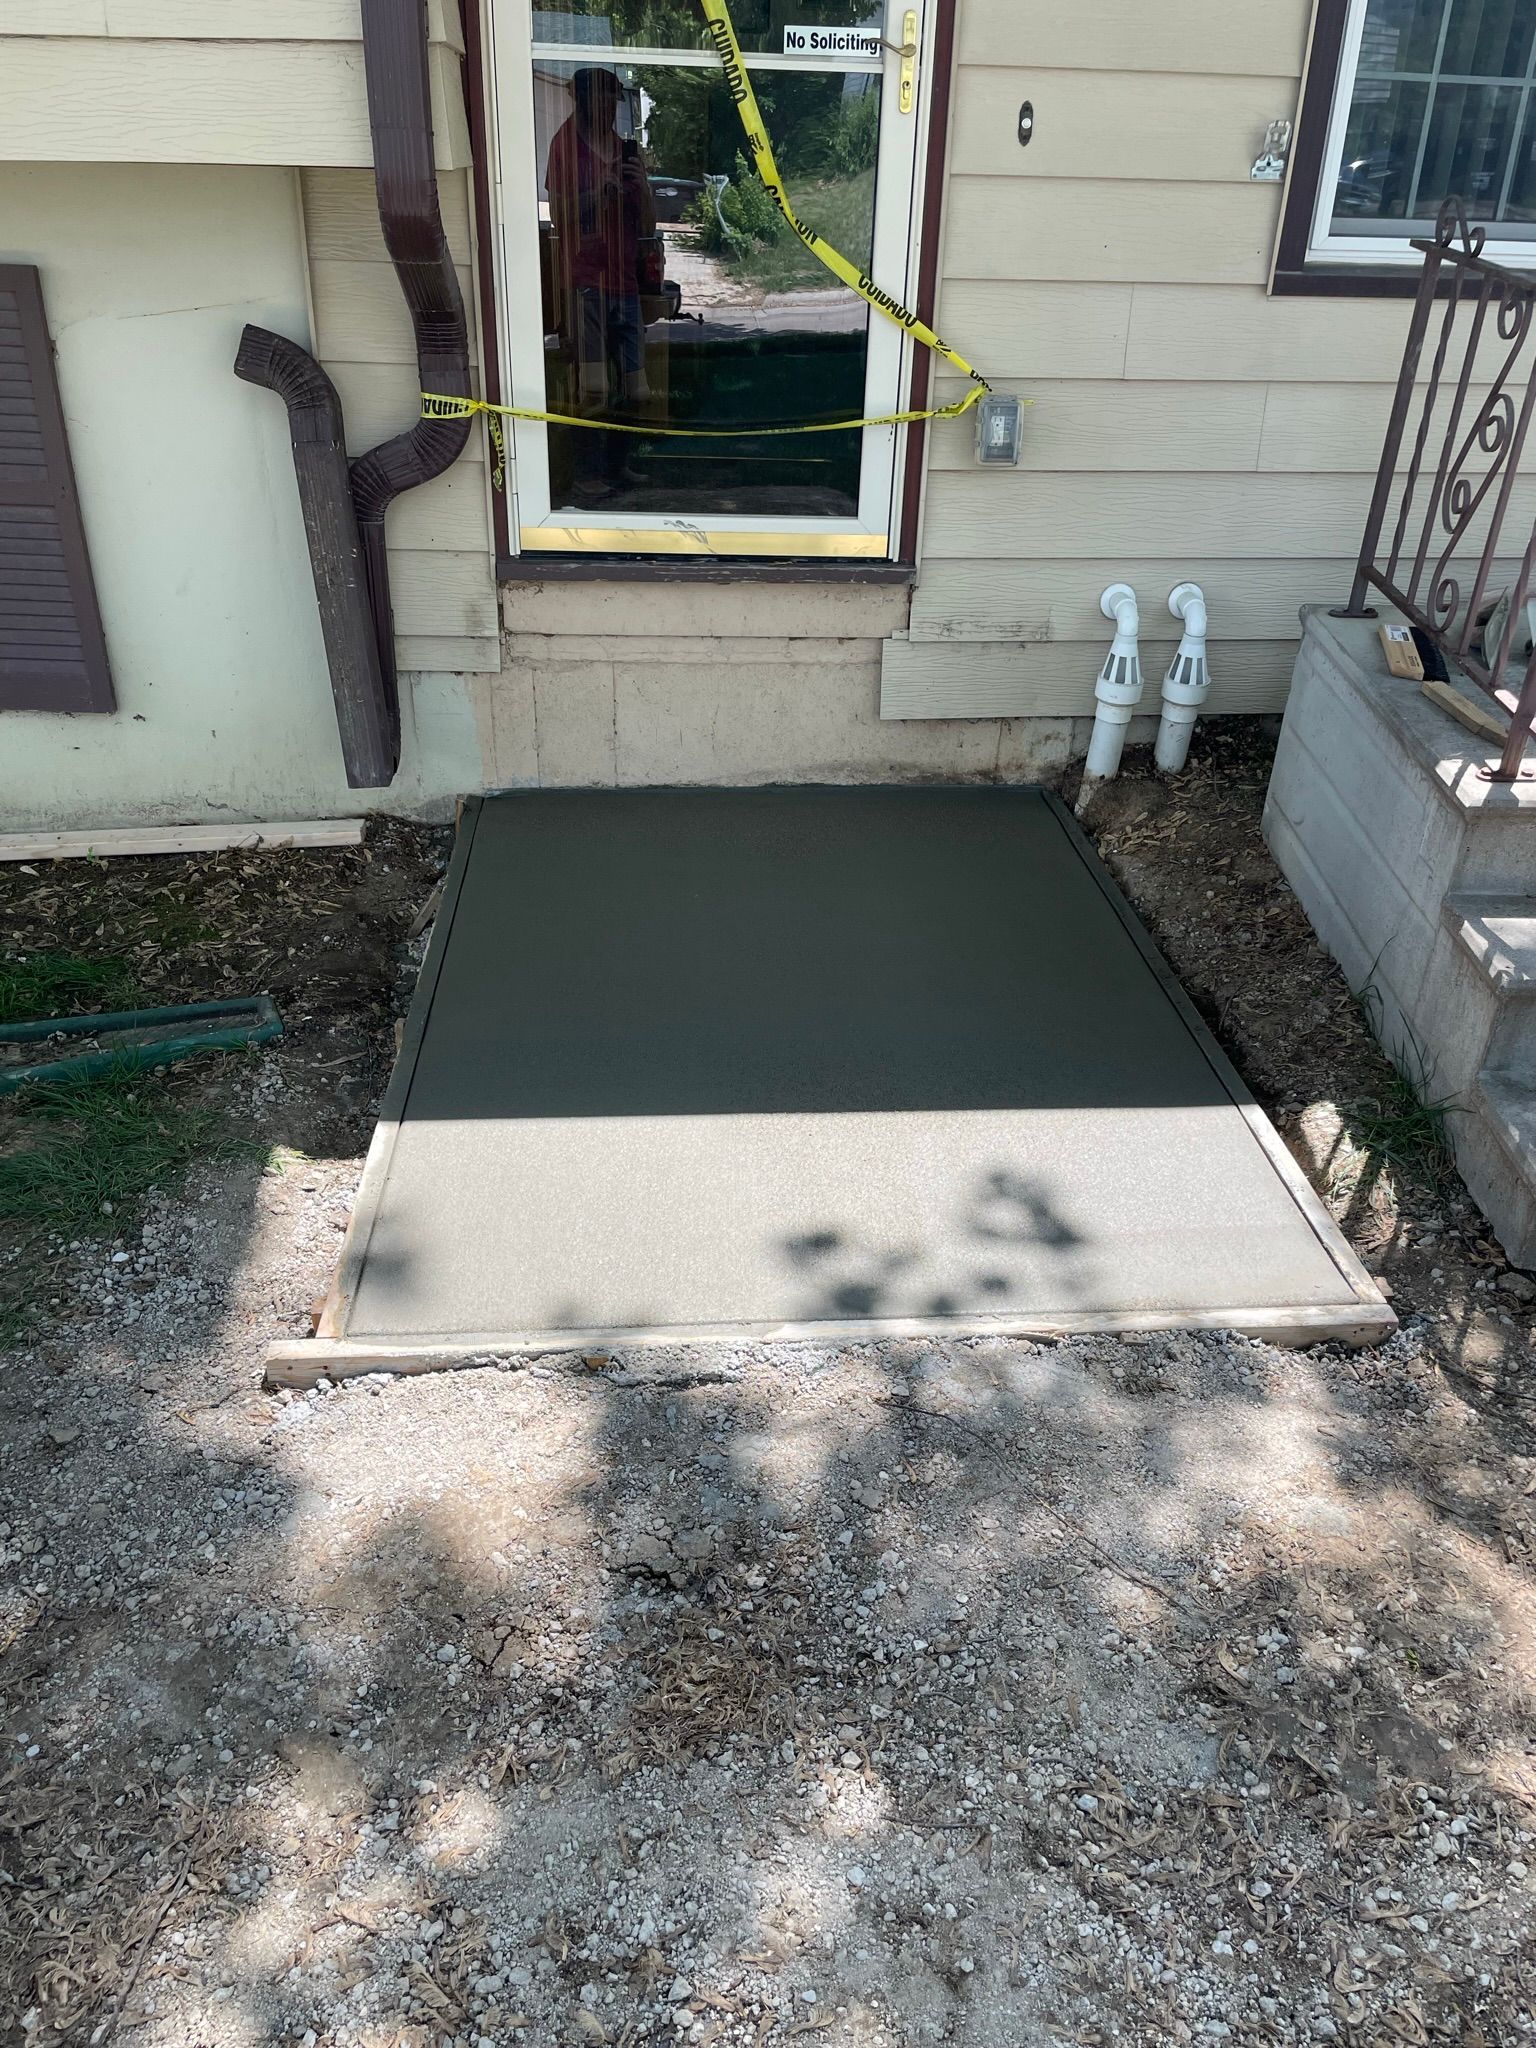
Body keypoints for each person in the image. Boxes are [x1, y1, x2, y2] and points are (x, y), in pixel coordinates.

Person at [545, 67, 657, 410]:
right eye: (601, 101)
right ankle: (592, 464)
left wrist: (643, 188)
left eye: (614, 102)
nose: (610, 109)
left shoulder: (624, 150)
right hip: (585, 285)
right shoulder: (564, 146)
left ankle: (620, 463)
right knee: (594, 390)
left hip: (625, 285)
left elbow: (647, 229)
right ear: (581, 101)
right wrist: (600, 191)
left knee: (637, 391)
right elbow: (558, 217)